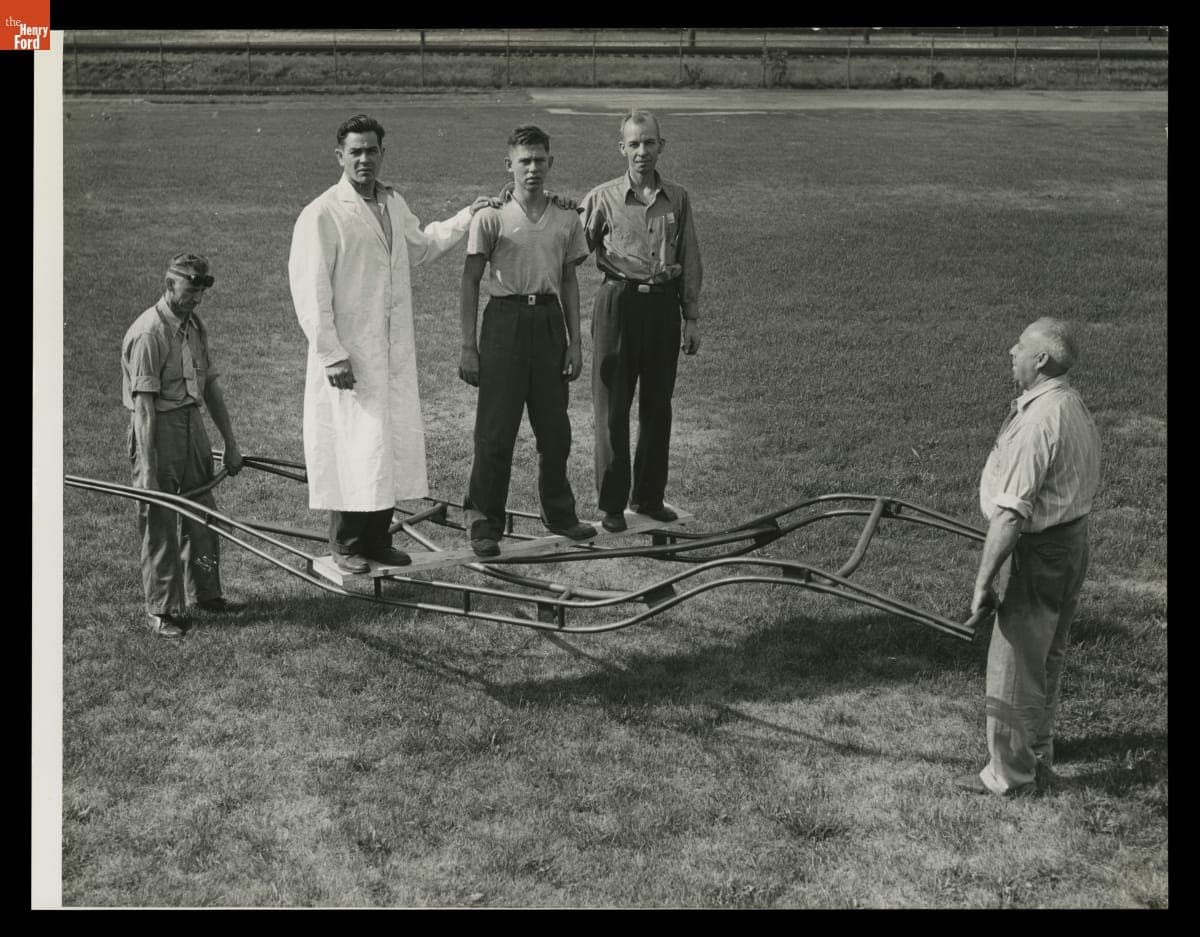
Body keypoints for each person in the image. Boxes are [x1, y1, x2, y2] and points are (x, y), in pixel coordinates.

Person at [288, 113, 494, 574]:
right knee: (352, 444)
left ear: (383, 153)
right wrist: (331, 354)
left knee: (384, 444)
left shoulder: (392, 203)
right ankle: (346, 544)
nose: (364, 159)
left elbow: (421, 246)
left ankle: (378, 540)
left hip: (390, 350)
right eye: (355, 151)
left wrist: (467, 216)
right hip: (350, 352)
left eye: (372, 150)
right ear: (339, 156)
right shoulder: (322, 213)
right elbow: (309, 290)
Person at [955, 317, 1102, 797]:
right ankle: (1037, 748)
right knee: (1046, 654)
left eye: (1019, 346)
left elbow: (1011, 514)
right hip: (1070, 542)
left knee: (1015, 662)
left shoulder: (1040, 422)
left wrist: (983, 582)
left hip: (1040, 552)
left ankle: (1010, 776)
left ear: (1040, 359)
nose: (1010, 352)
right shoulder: (1068, 402)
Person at [458, 125, 597, 557]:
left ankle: (560, 514)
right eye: (524, 161)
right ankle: (484, 522)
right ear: (509, 165)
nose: (532, 168)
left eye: (539, 160)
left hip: (549, 322)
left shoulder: (566, 217)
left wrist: (575, 343)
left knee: (555, 430)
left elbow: (570, 281)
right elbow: (470, 280)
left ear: (550, 162)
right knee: (495, 432)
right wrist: (468, 346)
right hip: (504, 321)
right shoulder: (491, 216)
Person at [579, 108, 702, 533]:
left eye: (649, 142)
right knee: (612, 407)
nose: (642, 151)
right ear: (622, 148)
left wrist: (691, 317)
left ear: (661, 146)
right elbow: (571, 245)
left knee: (657, 406)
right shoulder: (602, 198)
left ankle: (649, 497)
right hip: (618, 305)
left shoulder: (678, 198)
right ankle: (612, 504)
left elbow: (689, 258)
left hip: (663, 308)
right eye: (634, 143)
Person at [121, 253, 246, 639]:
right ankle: (162, 609)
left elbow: (209, 386)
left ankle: (206, 594)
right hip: (158, 428)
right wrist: (148, 469)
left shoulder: (194, 325)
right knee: (160, 518)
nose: (197, 299)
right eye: (190, 291)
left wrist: (230, 442)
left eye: (201, 292)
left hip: (192, 423)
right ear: (169, 284)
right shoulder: (149, 333)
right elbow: (143, 409)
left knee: (202, 511)